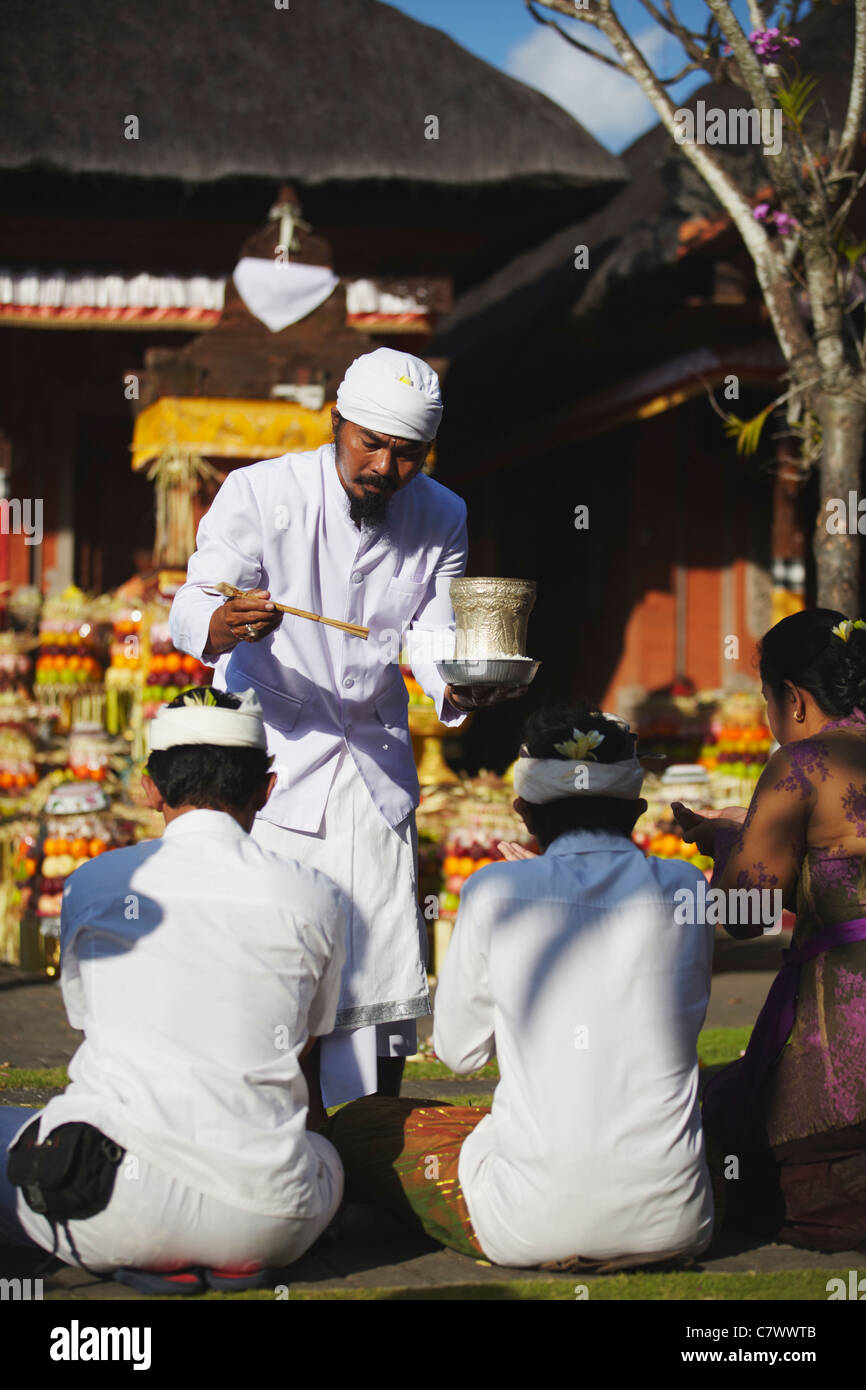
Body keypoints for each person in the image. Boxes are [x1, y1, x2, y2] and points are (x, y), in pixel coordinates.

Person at [168, 347, 519, 1110]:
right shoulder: (260, 492)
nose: (387, 468)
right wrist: (225, 623)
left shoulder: (444, 513)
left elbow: (431, 631)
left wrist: (456, 682)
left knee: (384, 975)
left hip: (372, 764)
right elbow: (191, 600)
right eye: (372, 445)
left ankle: (367, 1148)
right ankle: (279, 1135)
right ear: (338, 425)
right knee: (280, 967)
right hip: (272, 767)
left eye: (407, 454)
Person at [325, 703, 716, 1268]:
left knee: (364, 1123)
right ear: (635, 810)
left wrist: (524, 884)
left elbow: (460, 1054)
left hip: (527, 1226)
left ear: (524, 813)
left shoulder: (495, 890)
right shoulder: (685, 886)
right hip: (678, 1221)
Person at [0, 688, 346, 1290]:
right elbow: (305, 1043)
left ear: (150, 789)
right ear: (265, 789)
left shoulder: (93, 883)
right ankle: (224, 1247)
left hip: (102, 1206)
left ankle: (152, 1247)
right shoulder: (315, 895)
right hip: (268, 1221)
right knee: (329, 1159)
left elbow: (88, 1020)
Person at [676, 609, 866, 1252]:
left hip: (845, 1046)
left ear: (794, 697)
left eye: (766, 700)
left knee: (713, 1127)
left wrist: (730, 838)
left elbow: (746, 912)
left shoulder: (804, 764)